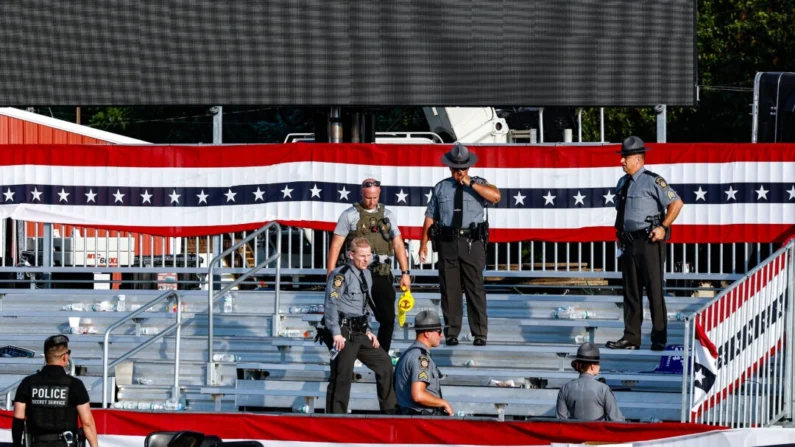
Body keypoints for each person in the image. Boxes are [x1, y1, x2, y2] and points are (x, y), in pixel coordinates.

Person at [419, 143, 501, 346]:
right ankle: (451, 332)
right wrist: (423, 245)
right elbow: (430, 217)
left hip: (472, 243)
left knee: (475, 288)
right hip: (447, 242)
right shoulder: (441, 187)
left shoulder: (479, 184)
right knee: (450, 290)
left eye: (463, 168)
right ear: (449, 168)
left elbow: (496, 196)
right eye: (456, 168)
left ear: (469, 168)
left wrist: (470, 183)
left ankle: (479, 333)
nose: (459, 172)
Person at [607, 136, 684, 351]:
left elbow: (676, 203)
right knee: (631, 291)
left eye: (626, 157)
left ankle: (659, 338)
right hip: (629, 242)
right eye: (622, 157)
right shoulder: (623, 183)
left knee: (654, 290)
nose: (622, 161)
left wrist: (663, 227)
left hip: (649, 241)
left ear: (638, 160)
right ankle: (631, 337)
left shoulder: (653, 180)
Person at [327, 178, 411, 352]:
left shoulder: (387, 215)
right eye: (368, 198)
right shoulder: (349, 215)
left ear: (379, 194)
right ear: (361, 194)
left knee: (388, 319)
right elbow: (336, 245)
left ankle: (382, 355)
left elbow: (397, 244)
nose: (371, 201)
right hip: (355, 275)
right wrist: (330, 273)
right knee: (353, 316)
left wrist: (405, 272)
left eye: (374, 197)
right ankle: (353, 352)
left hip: (381, 273)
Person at [323, 237, 398, 414]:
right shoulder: (340, 276)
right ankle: (335, 418)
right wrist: (335, 333)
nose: (366, 259)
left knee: (384, 362)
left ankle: (390, 411)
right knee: (342, 375)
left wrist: (369, 330)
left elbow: (366, 305)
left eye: (369, 255)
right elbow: (331, 304)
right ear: (351, 255)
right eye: (362, 256)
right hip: (343, 330)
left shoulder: (366, 274)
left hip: (360, 330)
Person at [13, 335, 99, 447]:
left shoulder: (27, 383)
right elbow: (87, 423)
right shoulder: (75, 384)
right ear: (65, 357)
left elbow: (18, 420)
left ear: (46, 357)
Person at [394, 310, 453, 416]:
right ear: (427, 333)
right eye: (439, 331)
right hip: (421, 418)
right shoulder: (421, 358)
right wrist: (443, 403)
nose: (442, 335)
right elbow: (418, 395)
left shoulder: (408, 353)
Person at [556, 342, 625, 421]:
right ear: (592, 366)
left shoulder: (565, 388)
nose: (599, 366)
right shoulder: (603, 389)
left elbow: (561, 421)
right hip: (597, 433)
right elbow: (616, 420)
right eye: (598, 363)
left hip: (574, 433)